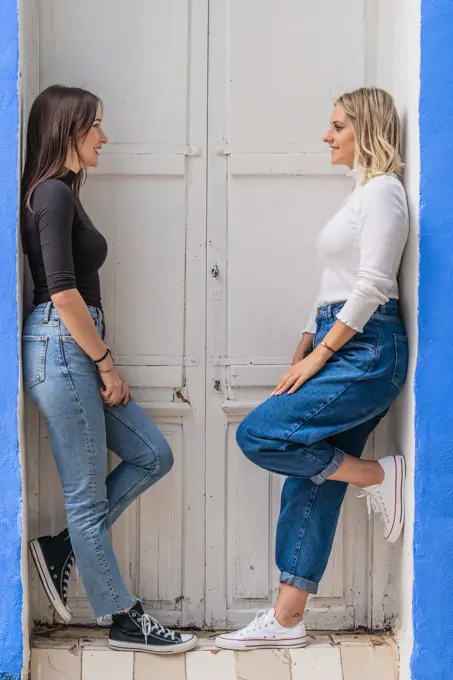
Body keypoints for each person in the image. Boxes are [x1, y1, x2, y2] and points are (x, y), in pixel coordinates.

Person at [216, 87, 409, 651]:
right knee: (313, 474)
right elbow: (334, 284)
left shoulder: (386, 194)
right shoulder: (359, 195)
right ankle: (287, 617)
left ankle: (380, 477)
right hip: (339, 339)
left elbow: (373, 285)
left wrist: (323, 354)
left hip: (366, 351)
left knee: (260, 433)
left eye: (338, 126)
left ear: (366, 129)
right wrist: (305, 346)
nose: (327, 136)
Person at [22, 85, 197, 655]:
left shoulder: (63, 194)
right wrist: (104, 362)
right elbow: (62, 291)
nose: (104, 135)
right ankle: (121, 616)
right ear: (69, 130)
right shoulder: (50, 193)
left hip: (72, 346)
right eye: (96, 124)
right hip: (64, 345)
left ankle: (60, 549)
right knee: (86, 496)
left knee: (153, 454)